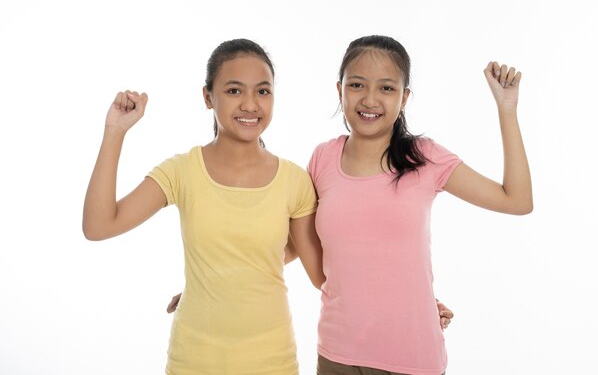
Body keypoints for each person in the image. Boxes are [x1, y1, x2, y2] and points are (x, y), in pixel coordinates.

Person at [82, 39, 325, 375]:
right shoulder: (182, 171)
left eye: (263, 91)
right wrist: (114, 132)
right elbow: (99, 226)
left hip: (272, 361)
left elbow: (319, 271)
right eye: (235, 91)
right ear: (208, 97)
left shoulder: (294, 181)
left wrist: (227, 281)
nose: (251, 104)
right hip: (193, 360)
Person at [309, 35, 532, 375]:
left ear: (404, 99)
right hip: (337, 354)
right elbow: (322, 267)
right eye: (357, 85)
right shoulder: (322, 158)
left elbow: (516, 200)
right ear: (340, 90)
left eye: (386, 88)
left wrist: (507, 109)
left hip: (412, 358)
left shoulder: (424, 157)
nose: (370, 99)